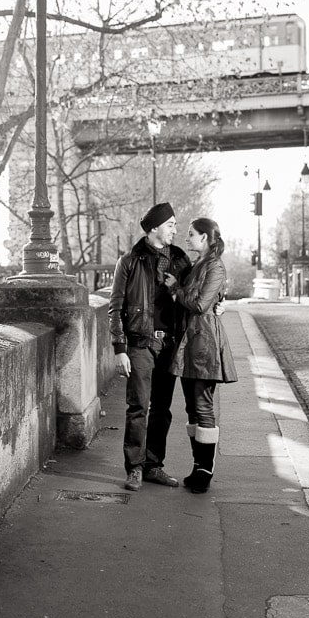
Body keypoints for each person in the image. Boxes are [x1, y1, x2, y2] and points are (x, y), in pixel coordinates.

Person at [108, 202, 192, 492]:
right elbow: (115, 306)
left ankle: (154, 465)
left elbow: (195, 296)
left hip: (170, 344)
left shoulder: (180, 259)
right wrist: (119, 347)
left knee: (162, 410)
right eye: (170, 224)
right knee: (138, 407)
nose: (175, 230)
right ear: (154, 227)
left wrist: (217, 303)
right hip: (140, 343)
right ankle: (134, 468)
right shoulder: (130, 260)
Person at [164, 217, 238, 493]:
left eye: (192, 234)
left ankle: (205, 471)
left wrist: (175, 290)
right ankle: (198, 466)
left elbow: (199, 304)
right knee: (192, 407)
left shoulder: (215, 266)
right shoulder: (198, 265)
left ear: (205, 237)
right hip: (191, 341)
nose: (187, 238)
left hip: (204, 342)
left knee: (202, 405)